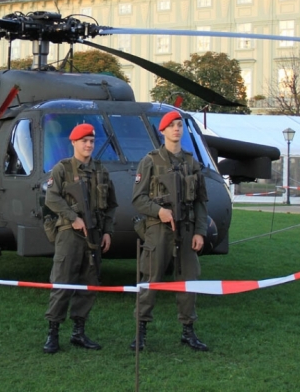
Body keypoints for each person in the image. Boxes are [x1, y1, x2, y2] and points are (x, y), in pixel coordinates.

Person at [130, 110, 210, 352]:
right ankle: (140, 332)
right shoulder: (150, 161)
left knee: (189, 282)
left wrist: (200, 232)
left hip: (186, 232)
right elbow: (138, 199)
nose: (177, 129)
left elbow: (200, 202)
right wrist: (159, 211)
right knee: (150, 281)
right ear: (162, 131)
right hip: (158, 231)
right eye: (171, 126)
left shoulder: (191, 162)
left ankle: (188, 331)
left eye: (179, 125)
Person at [42, 123, 117, 354]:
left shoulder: (101, 171)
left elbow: (112, 205)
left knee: (89, 284)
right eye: (84, 141)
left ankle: (78, 332)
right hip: (69, 235)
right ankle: (53, 333)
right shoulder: (62, 169)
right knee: (63, 282)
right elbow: (51, 198)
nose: (88, 145)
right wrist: (73, 217)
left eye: (92, 141)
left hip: (94, 236)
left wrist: (107, 231)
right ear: (73, 142)